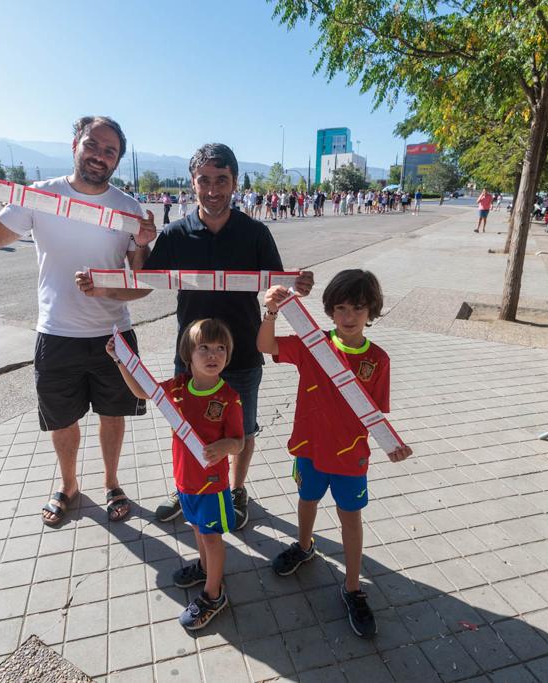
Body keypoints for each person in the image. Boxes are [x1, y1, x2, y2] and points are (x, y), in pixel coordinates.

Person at [0, 115, 157, 528]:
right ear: (76, 143)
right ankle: (69, 484)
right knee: (62, 420)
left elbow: (140, 283)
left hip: (114, 334)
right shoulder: (40, 196)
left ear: (118, 160)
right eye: (93, 145)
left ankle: (112, 483)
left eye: (110, 151)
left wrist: (136, 254)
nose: (99, 155)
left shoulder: (129, 209)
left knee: (114, 415)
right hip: (57, 334)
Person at [118, 142, 313, 530]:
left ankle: (236, 489)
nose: (212, 189)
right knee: (184, 425)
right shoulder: (175, 234)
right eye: (203, 180)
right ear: (192, 183)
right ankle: (186, 487)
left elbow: (274, 286)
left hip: (241, 355)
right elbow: (144, 281)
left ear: (235, 182)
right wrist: (135, 248)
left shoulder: (255, 232)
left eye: (221, 180)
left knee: (243, 430)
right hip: (189, 357)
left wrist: (294, 286)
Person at [257, 270, 411, 639]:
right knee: (306, 499)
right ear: (329, 310)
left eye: (358, 308)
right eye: (340, 308)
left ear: (371, 310)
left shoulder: (378, 359)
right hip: (309, 447)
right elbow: (266, 346)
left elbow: (377, 414)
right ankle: (305, 546)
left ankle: (354, 587)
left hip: (350, 457)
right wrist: (271, 312)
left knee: (351, 517)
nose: (348, 316)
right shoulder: (314, 344)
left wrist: (392, 447)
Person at [108, 319, 243, 630]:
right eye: (204, 348)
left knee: (211, 537)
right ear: (188, 355)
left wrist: (223, 445)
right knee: (197, 530)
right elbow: (143, 392)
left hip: (212, 486)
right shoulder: (178, 388)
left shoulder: (229, 398)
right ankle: (205, 568)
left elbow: (239, 443)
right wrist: (120, 360)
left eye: (220, 349)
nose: (213, 355)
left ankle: (214, 592)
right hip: (185, 481)